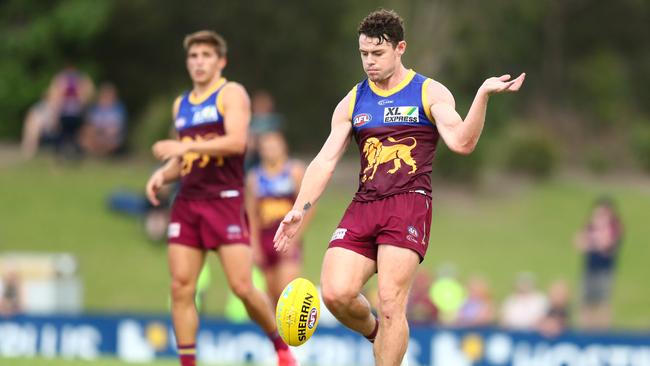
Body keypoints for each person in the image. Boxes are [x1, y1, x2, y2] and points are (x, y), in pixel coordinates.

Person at [273, 9, 525, 365]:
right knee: (335, 293)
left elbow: (463, 142)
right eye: (364, 54)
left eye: (377, 53)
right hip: (364, 204)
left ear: (400, 48)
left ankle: (390, 336)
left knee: (391, 301)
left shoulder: (428, 91)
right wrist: (300, 208)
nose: (369, 62)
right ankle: (383, 336)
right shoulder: (354, 100)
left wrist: (482, 95)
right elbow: (325, 159)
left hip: (408, 204)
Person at [145, 30, 297, 366]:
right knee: (181, 287)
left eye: (206, 56)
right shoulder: (180, 104)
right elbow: (185, 159)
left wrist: (184, 147)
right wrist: (164, 174)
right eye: (193, 56)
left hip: (224, 200)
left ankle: (281, 349)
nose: (199, 62)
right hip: (188, 203)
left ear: (220, 61)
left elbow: (235, 143)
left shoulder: (231, 94)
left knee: (242, 287)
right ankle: (188, 362)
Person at [245, 131, 308, 307]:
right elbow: (251, 213)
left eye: (274, 146)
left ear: (283, 147)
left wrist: (296, 237)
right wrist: (254, 244)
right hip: (265, 239)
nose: (270, 151)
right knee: (271, 295)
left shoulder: (294, 171)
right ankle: (277, 335)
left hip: (287, 237)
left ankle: (293, 333)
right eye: (266, 148)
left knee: (286, 293)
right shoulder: (254, 177)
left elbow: (308, 207)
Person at [574, 196, 623, 329]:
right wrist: (592, 239)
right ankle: (586, 330)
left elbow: (606, 244)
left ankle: (603, 331)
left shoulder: (614, 226)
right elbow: (579, 243)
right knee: (585, 300)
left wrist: (592, 240)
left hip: (604, 269)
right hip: (589, 267)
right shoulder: (590, 225)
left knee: (603, 301)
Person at [80, 83, 127, 156]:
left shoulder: (118, 108)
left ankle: (101, 153)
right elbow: (90, 124)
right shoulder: (95, 108)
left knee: (110, 135)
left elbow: (116, 128)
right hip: (97, 134)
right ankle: (96, 153)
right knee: (86, 133)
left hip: (110, 136)